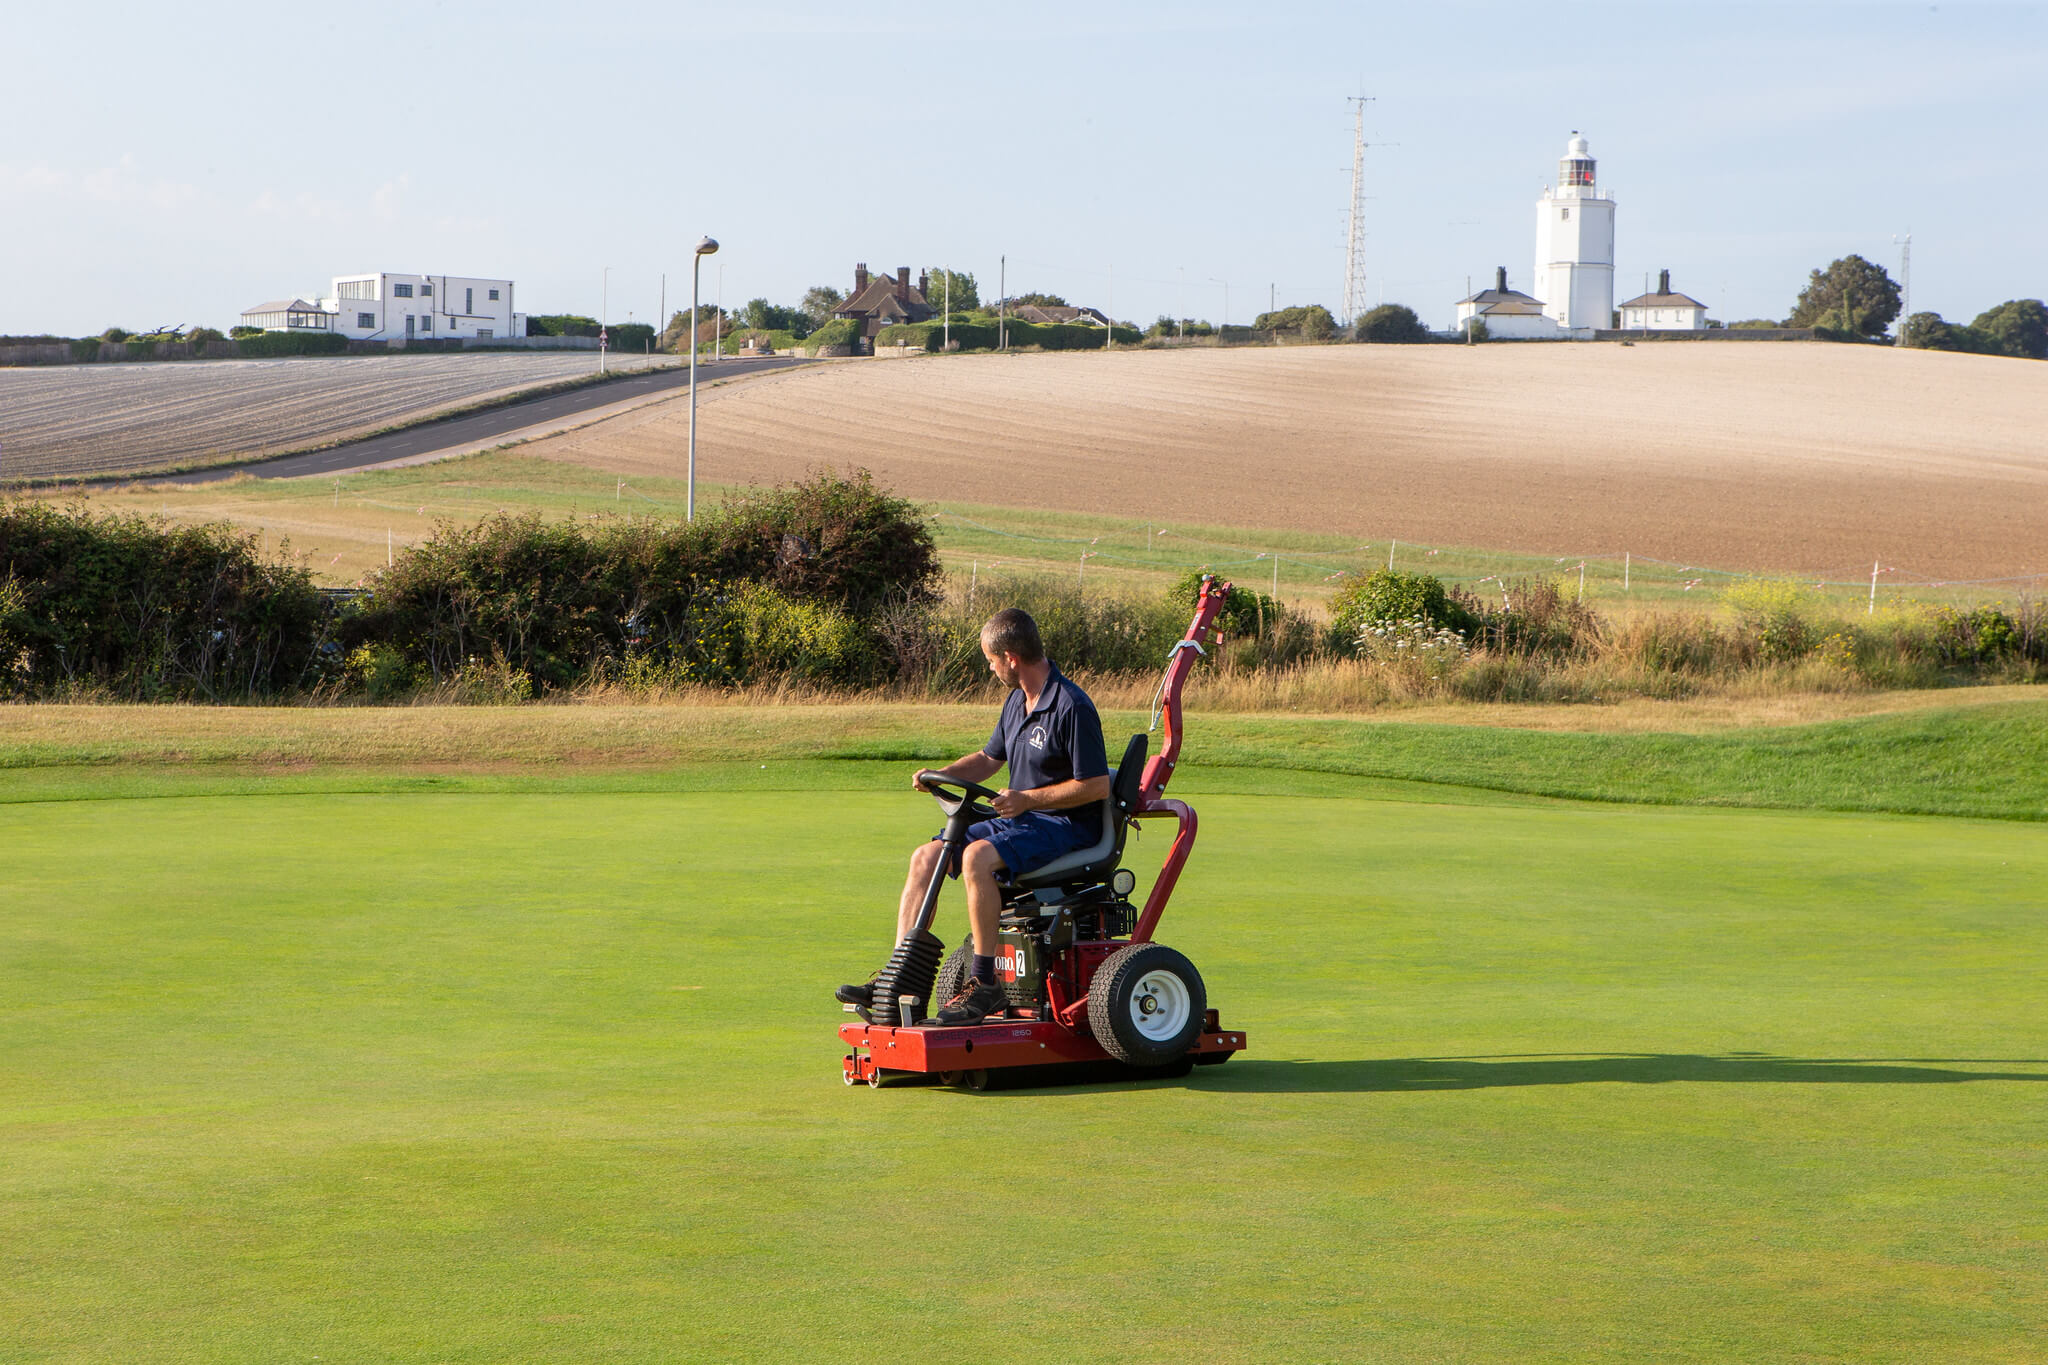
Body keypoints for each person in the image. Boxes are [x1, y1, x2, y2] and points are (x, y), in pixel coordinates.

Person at [837, 607, 1110, 1025]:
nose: (990, 667)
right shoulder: (1017, 701)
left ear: (1011, 657)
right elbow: (987, 759)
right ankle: (898, 975)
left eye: (990, 659)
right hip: (1023, 820)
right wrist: (942, 775)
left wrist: (1027, 800)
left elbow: (1095, 786)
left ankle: (985, 983)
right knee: (926, 856)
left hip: (1066, 826)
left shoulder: (1071, 706)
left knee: (976, 857)